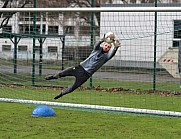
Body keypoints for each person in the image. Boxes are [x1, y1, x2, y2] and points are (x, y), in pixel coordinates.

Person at [45, 33, 121, 99]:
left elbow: (112, 54)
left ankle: (61, 94)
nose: (107, 48)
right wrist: (102, 39)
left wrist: (116, 48)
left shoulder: (105, 57)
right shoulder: (96, 50)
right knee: (63, 73)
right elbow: (97, 44)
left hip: (85, 75)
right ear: (103, 45)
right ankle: (53, 76)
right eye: (106, 45)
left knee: (73, 87)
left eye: (108, 47)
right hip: (79, 68)